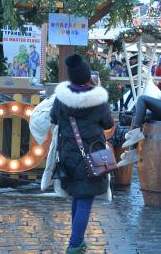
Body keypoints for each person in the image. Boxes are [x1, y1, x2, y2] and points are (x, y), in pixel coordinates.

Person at [50, 54, 113, 253]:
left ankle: (78, 241)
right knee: (85, 199)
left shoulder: (62, 98)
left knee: (79, 196)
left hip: (69, 154)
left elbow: (54, 118)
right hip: (92, 154)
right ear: (87, 75)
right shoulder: (98, 99)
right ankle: (74, 245)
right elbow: (108, 123)